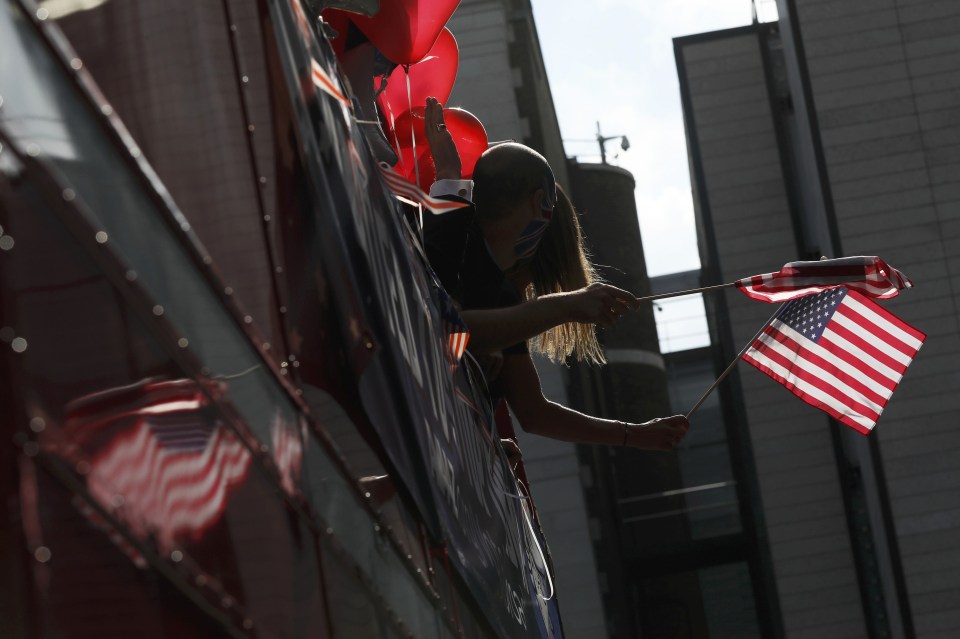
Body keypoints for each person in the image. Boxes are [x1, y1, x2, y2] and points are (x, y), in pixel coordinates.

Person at [421, 97, 689, 451]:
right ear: (539, 205)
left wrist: (633, 434)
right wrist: (565, 306)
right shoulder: (455, 236)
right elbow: (450, 328)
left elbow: (533, 413)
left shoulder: (451, 228)